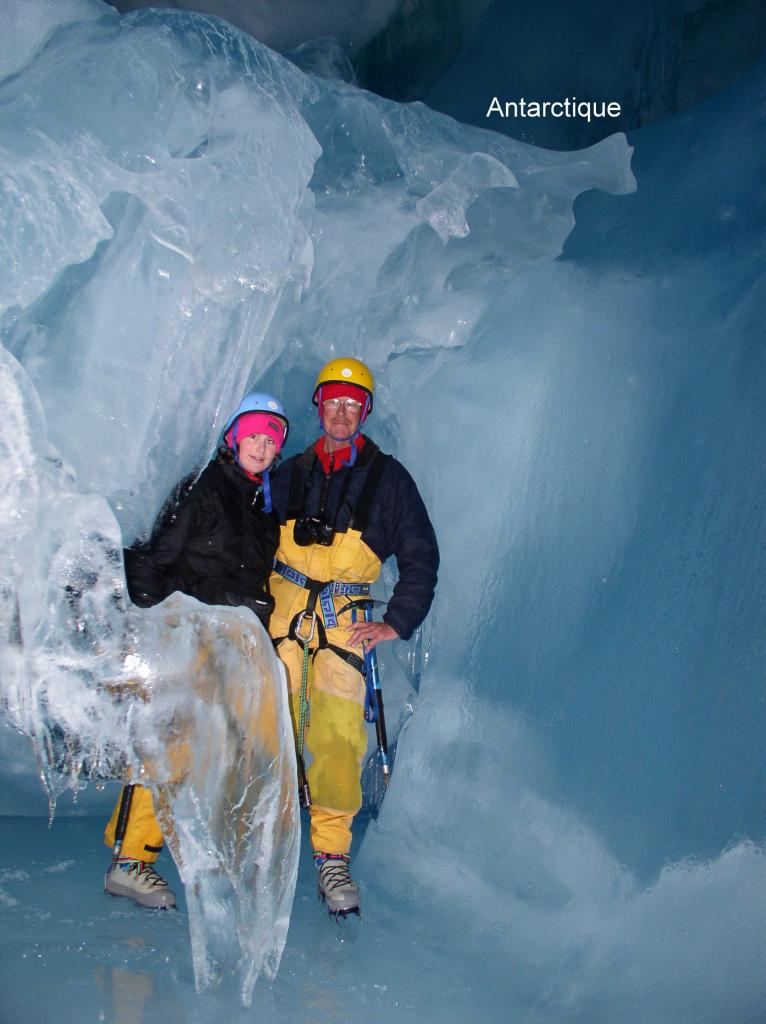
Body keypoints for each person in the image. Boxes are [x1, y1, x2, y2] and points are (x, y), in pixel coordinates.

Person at [103, 391, 289, 908]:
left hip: (234, 646)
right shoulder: (206, 486)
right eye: (252, 433)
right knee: (171, 744)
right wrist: (143, 616)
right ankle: (130, 860)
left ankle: (207, 855)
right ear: (234, 437)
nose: (261, 444)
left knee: (227, 751)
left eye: (270, 439)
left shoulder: (263, 507)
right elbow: (159, 553)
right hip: (190, 637)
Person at [269, 357, 439, 916]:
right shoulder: (288, 473)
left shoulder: (389, 479)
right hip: (283, 617)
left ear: (363, 411)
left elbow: (420, 554)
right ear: (319, 406)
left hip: (343, 624)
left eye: (352, 404)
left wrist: (397, 621)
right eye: (333, 402)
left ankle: (332, 856)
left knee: (340, 740)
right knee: (267, 730)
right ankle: (264, 840)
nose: (341, 413)